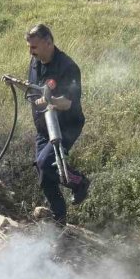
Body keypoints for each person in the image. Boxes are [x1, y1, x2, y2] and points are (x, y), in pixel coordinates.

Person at [24, 23, 90, 225]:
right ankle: (59, 217)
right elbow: (33, 89)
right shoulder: (35, 63)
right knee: (44, 173)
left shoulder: (68, 67)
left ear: (48, 43)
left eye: (34, 47)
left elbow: (68, 102)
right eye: (29, 47)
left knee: (46, 164)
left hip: (65, 126)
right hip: (43, 125)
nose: (30, 51)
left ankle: (80, 182)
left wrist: (50, 100)